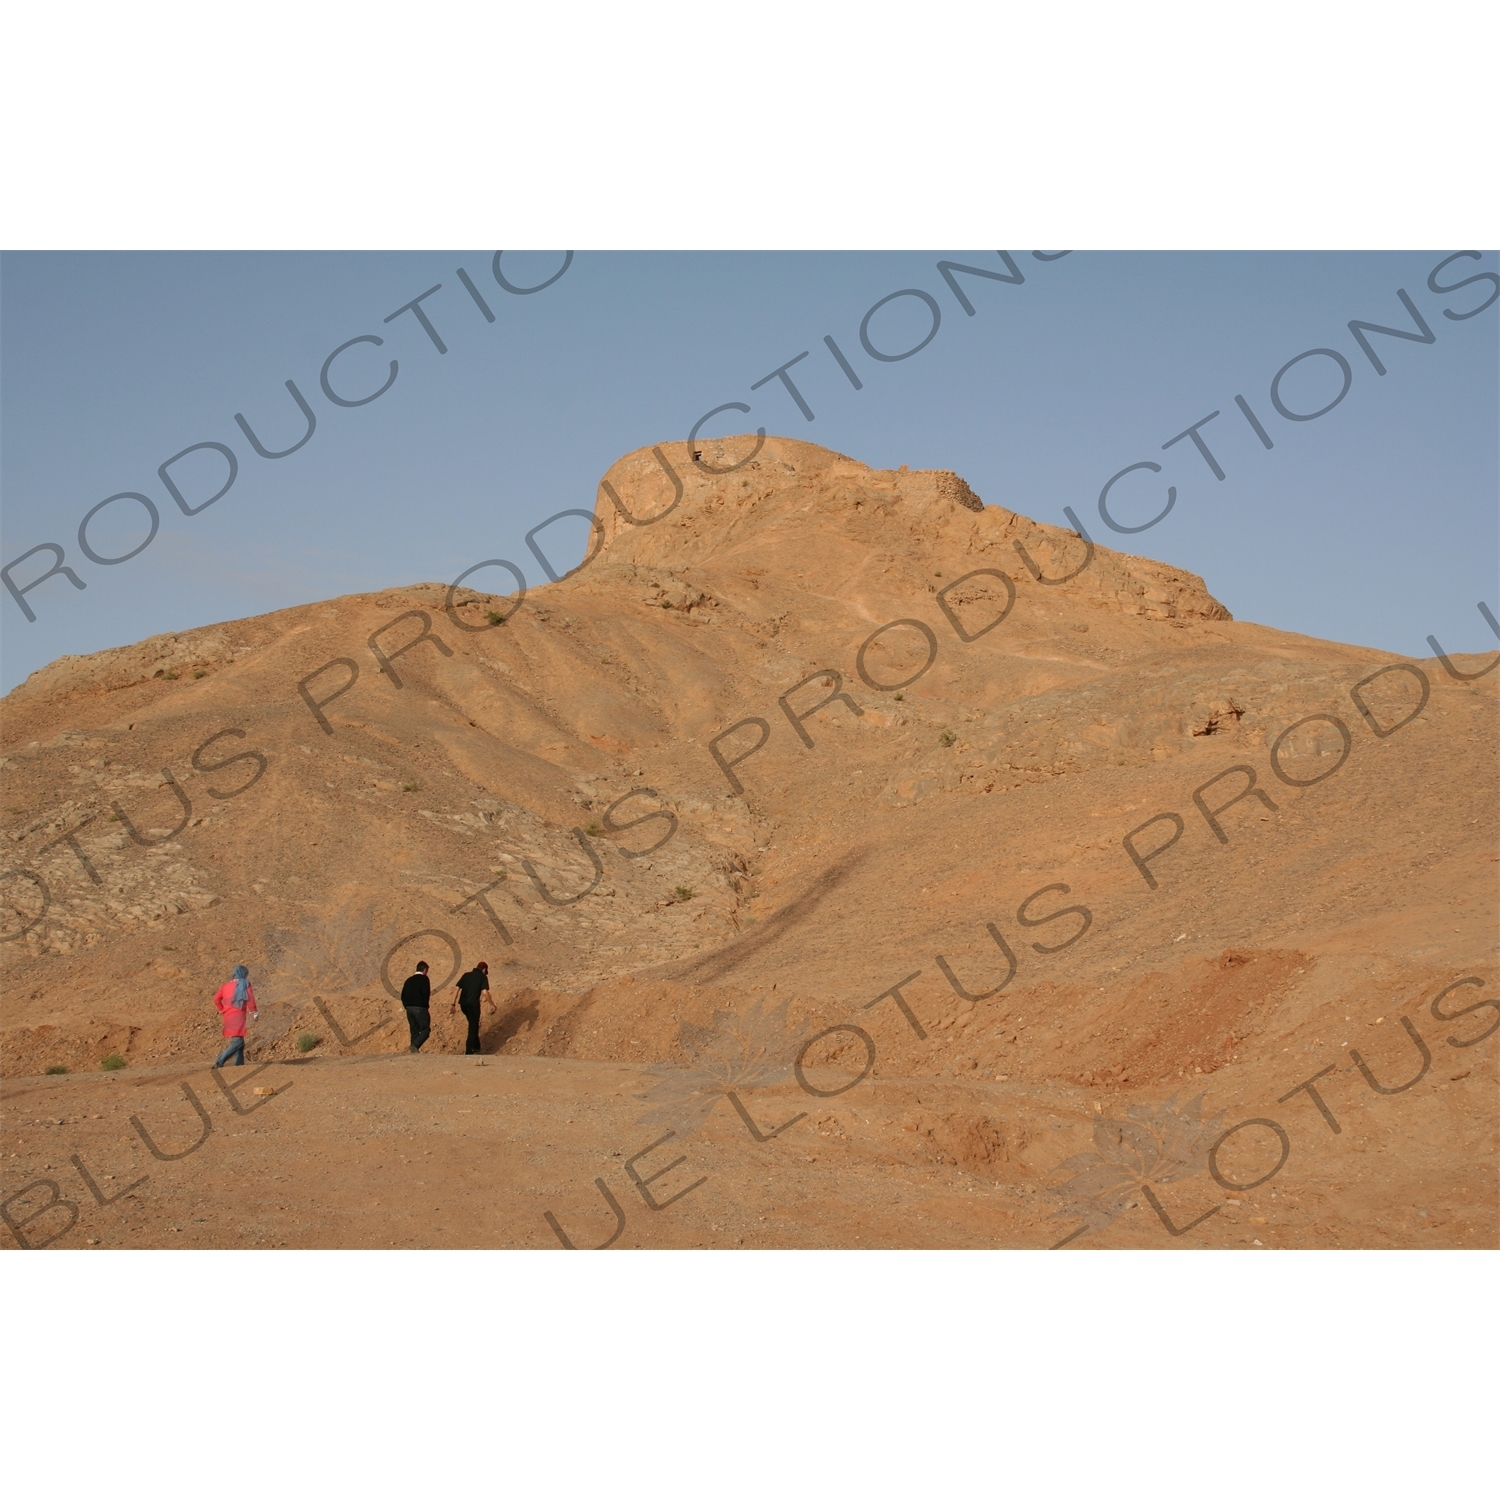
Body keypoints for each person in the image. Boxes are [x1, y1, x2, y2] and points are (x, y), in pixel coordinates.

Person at [212, 964, 257, 1067]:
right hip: (238, 1015)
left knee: (238, 1040)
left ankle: (239, 1065)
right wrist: (254, 1011)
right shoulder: (245, 984)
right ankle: (219, 1061)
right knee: (237, 1043)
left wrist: (221, 1010)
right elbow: (250, 998)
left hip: (228, 1015)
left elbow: (216, 999)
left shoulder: (225, 985)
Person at [451, 961, 494, 1055]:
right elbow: (484, 992)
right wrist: (492, 1004)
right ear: (484, 969)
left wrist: (453, 1004)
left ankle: (476, 1046)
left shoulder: (466, 975)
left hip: (463, 1005)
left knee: (473, 1024)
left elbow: (456, 989)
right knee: (473, 1028)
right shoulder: (482, 977)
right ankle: (469, 1051)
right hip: (473, 1006)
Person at [400, 961, 432, 1052]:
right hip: (420, 1007)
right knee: (425, 1030)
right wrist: (425, 1006)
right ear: (425, 970)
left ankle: (413, 1050)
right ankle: (415, 1045)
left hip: (409, 1008)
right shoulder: (424, 979)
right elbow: (426, 993)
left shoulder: (409, 980)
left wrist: (406, 1005)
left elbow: (403, 995)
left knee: (414, 1030)